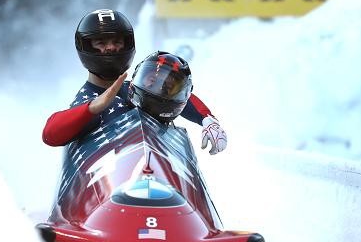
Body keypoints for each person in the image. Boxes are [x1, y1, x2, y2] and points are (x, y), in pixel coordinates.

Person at [42, 9, 227, 155]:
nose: (111, 48)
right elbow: (50, 134)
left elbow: (176, 98)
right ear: (86, 46)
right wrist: (92, 108)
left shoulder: (135, 88)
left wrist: (207, 119)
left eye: (116, 41)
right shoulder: (87, 102)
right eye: (100, 42)